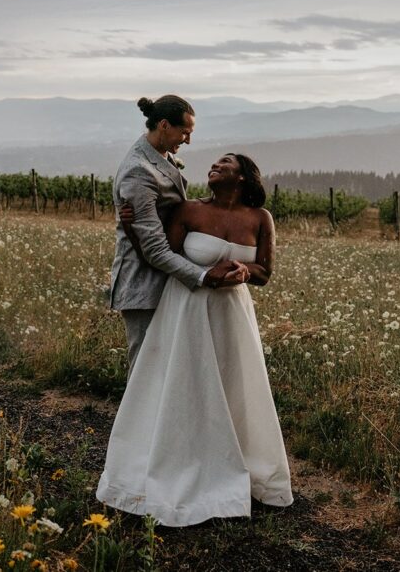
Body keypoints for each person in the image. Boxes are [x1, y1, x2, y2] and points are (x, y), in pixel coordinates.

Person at [96, 153, 294, 526]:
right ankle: (178, 465)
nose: (215, 166)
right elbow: (161, 257)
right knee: (186, 384)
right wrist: (134, 228)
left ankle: (238, 463)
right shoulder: (188, 210)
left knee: (235, 385)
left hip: (232, 314)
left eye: (226, 163)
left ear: (244, 177)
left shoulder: (259, 218)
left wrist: (243, 270)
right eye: (215, 164)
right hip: (187, 309)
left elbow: (265, 272)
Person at [109, 95, 246, 376]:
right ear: (163, 125)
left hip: (168, 282)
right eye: (184, 133)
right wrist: (204, 276)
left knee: (170, 372)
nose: (187, 141)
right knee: (146, 372)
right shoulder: (138, 171)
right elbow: (154, 250)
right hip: (144, 286)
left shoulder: (160, 155)